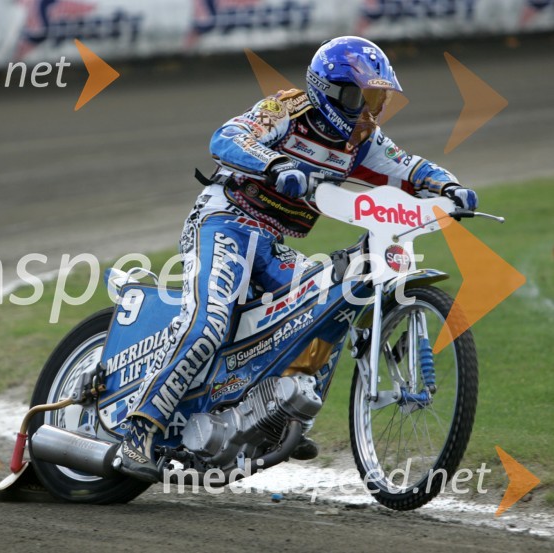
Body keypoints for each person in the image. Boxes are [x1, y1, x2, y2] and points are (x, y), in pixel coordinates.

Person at [114, 36, 479, 482]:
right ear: (329, 91)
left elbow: (407, 167)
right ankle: (139, 427)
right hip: (225, 222)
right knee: (209, 322)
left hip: (270, 243)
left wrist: (449, 188)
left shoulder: (361, 139)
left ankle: (275, 414)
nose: (371, 110)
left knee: (327, 306)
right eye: (362, 97)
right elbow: (225, 138)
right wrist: (273, 165)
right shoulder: (286, 110)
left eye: (378, 99)